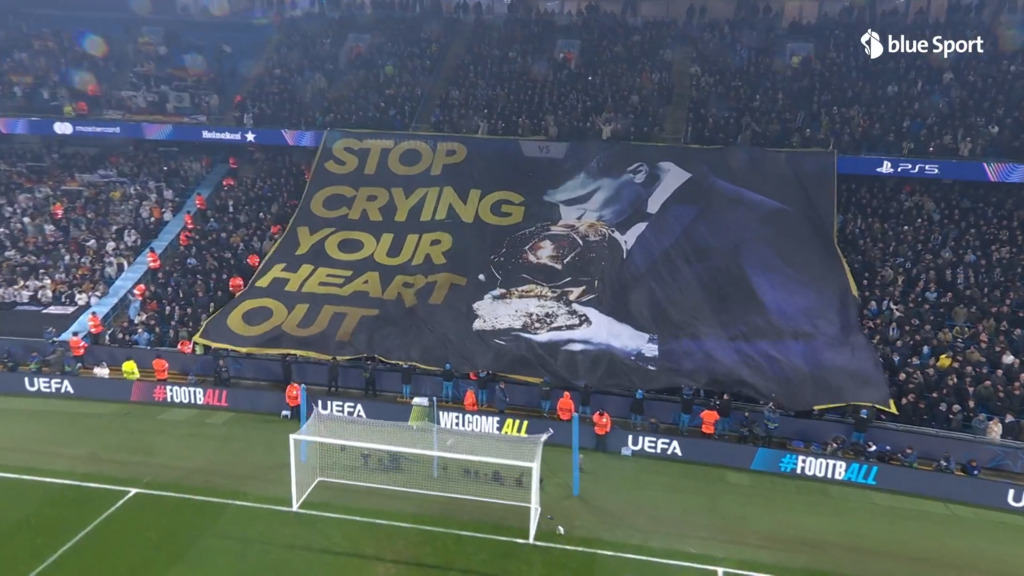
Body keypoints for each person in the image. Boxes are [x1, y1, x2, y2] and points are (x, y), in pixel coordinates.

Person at [517, 146, 886, 407]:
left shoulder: (758, 223)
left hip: (741, 406)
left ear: (638, 174)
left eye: (584, 198)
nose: (572, 217)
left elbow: (809, 346)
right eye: (562, 205)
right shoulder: (604, 230)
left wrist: (636, 343)